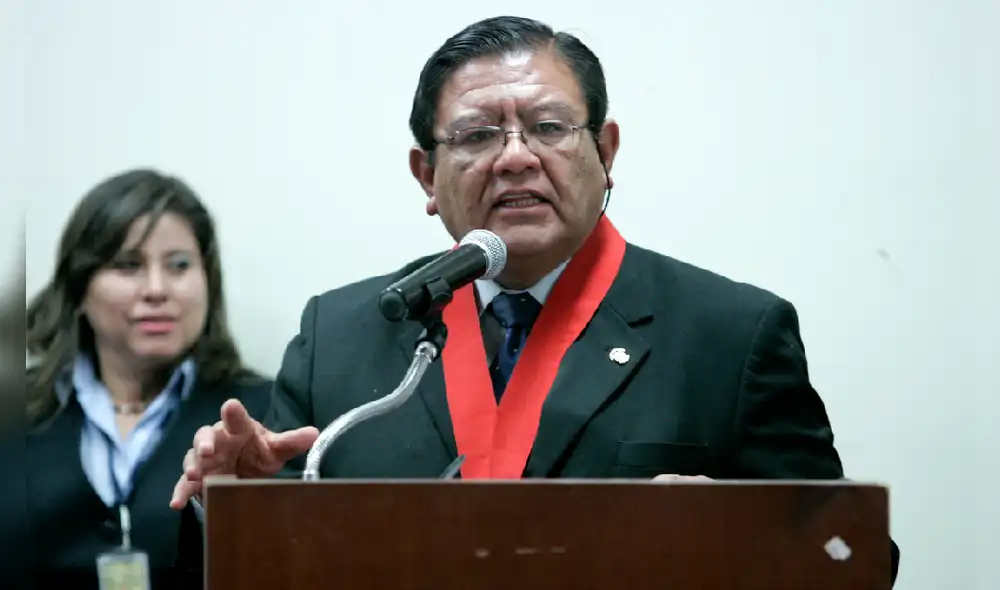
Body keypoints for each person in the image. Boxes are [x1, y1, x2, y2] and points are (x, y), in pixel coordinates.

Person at [170, 16, 898, 583]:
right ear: (427, 176)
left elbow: (853, 561)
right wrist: (231, 509)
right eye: (479, 134)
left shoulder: (732, 335)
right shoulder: (342, 332)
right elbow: (269, 569)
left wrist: (737, 533)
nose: (516, 155)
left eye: (549, 127)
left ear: (605, 152)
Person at [25, 168, 272, 589]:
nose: (157, 289)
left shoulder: (262, 416)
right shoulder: (18, 411)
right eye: (127, 265)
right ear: (79, 287)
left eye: (178, 265)